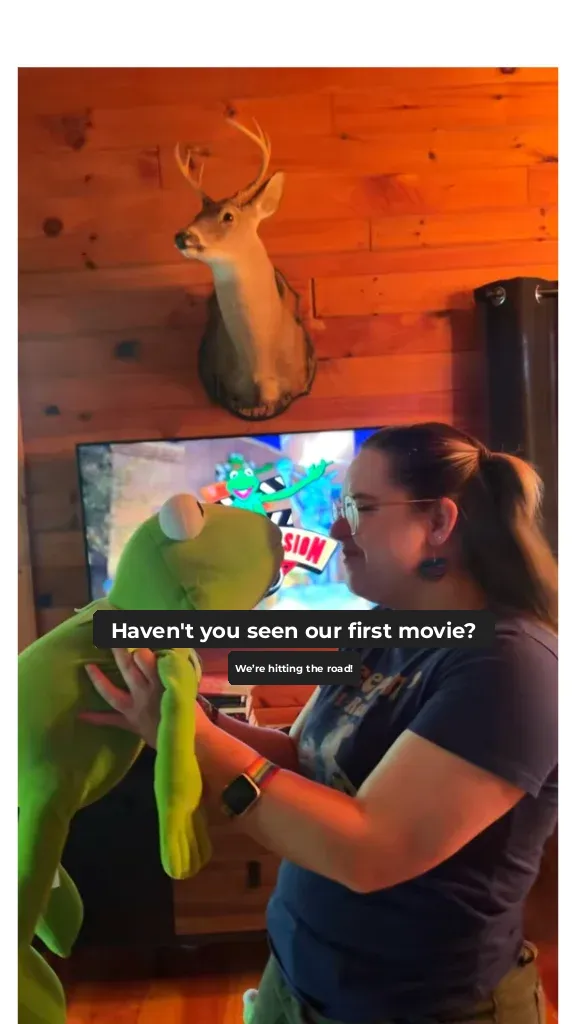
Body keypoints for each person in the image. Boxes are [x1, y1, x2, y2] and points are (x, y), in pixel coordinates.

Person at [81, 422, 558, 1024]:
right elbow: (305, 756)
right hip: (295, 979)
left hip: (424, 1008)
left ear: (439, 522)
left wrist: (193, 740)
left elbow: (367, 852)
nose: (336, 530)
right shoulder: (385, 623)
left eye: (360, 508)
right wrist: (185, 715)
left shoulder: (513, 667)